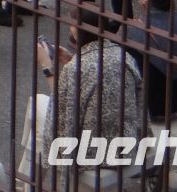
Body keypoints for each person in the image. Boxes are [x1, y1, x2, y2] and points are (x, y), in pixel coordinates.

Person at [22, 10, 146, 189]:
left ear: (78, 31)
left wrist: (46, 66)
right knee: (39, 126)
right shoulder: (123, 56)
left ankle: (29, 183)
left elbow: (60, 109)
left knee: (37, 109)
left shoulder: (76, 68)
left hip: (91, 150)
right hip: (125, 143)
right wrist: (71, 59)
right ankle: (27, 181)